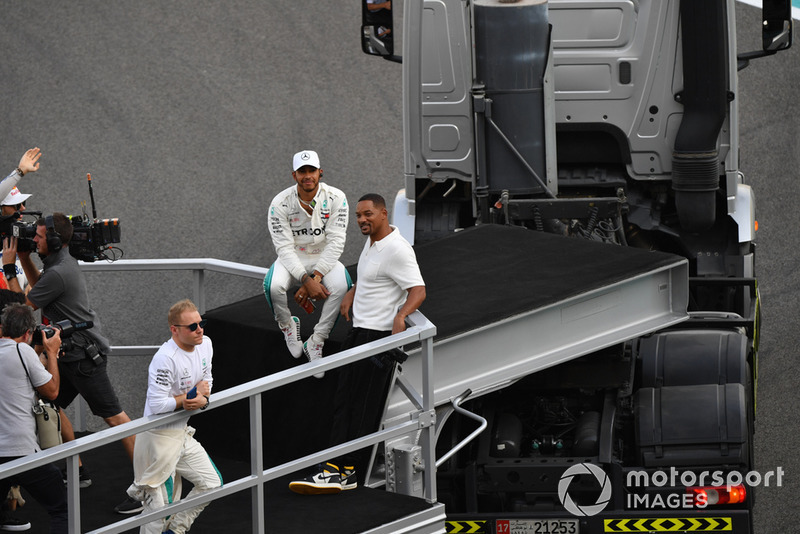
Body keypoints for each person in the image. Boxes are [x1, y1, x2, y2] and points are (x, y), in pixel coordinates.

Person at [1, 213, 141, 514]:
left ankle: (147, 487)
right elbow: (40, 290)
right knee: (51, 402)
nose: (33, 240)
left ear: (52, 241)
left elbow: (19, 311)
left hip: (82, 358)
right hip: (64, 353)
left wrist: (10, 264)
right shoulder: (58, 264)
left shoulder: (59, 272)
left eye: (37, 237)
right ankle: (76, 469)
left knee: (116, 418)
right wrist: (26, 259)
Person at [289, 193, 426, 494]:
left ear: (383, 214)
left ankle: (342, 471)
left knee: (361, 409)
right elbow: (370, 277)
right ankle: (339, 469)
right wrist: (352, 293)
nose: (362, 220)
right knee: (344, 403)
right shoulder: (372, 242)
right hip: (358, 334)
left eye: (368, 215)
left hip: (377, 341)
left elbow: (418, 290)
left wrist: (402, 316)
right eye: (358, 216)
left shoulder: (398, 250)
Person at [126, 299, 222, 534]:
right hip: (157, 439)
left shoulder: (205, 344)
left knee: (212, 483)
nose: (199, 329)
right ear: (175, 330)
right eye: (192, 326)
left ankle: (176, 530)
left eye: (201, 323)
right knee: (160, 512)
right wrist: (188, 400)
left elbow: (207, 380)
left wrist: (202, 398)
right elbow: (158, 405)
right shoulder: (165, 358)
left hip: (180, 434)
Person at [263, 150, 350, 374]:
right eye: (302, 172)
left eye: (311, 170)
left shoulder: (336, 197)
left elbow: (336, 242)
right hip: (293, 255)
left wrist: (315, 277)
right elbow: (283, 247)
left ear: (320, 172)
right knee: (273, 286)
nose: (307, 176)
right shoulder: (279, 203)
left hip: (323, 256)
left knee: (342, 286)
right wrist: (305, 279)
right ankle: (287, 325)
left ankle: (316, 340)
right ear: (294, 175)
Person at [0, 303, 67, 533]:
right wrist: (52, 353)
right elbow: (52, 391)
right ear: (29, 333)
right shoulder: (23, 351)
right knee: (61, 509)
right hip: (20, 450)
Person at [0, 186, 34, 290]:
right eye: (17, 205)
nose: (23, 208)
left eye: (23, 203)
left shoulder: (17, 241)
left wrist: (31, 285)